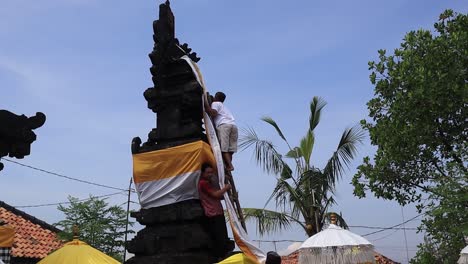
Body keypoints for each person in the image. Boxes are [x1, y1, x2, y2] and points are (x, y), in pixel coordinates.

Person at [198, 162, 232, 260]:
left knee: (222, 238)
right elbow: (216, 195)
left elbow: (217, 196)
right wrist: (226, 188)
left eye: (211, 172)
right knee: (219, 239)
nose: (210, 175)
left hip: (217, 212)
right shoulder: (203, 183)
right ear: (202, 173)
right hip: (212, 214)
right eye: (208, 173)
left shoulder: (208, 183)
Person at [207, 92, 238, 171]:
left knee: (223, 148)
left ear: (216, 97)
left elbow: (213, 113)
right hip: (233, 126)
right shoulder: (224, 107)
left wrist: (206, 105)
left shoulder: (215, 103)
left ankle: (230, 166)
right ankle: (228, 165)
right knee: (230, 150)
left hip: (224, 126)